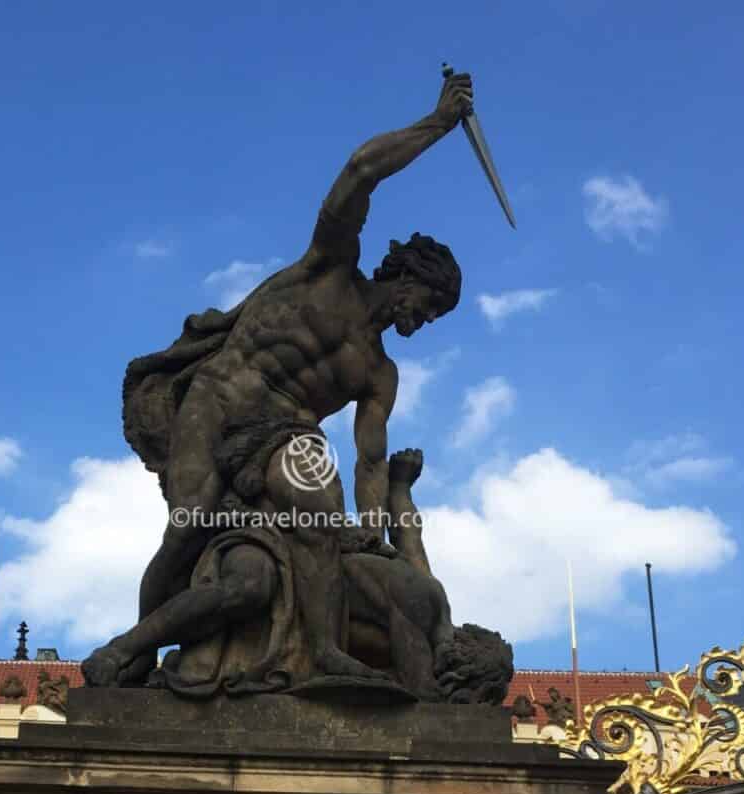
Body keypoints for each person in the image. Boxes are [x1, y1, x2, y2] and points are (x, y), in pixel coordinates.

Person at [83, 73, 474, 691]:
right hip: (218, 400)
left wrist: (370, 522)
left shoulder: (379, 372)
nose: (423, 321)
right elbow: (361, 169)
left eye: (433, 316)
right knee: (191, 525)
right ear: (406, 276)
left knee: (322, 505)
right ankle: (136, 650)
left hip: (286, 433)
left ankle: (324, 652)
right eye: (427, 304)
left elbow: (370, 458)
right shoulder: (329, 269)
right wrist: (438, 122)